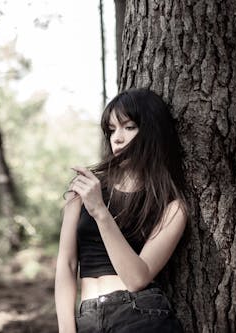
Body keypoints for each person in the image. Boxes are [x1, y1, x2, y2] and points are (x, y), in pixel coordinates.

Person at [54, 88, 188, 333]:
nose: (117, 138)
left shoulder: (171, 205)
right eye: (112, 129)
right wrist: (66, 329)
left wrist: (100, 213)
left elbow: (137, 278)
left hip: (141, 316)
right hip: (88, 320)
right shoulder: (85, 188)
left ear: (151, 131)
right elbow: (67, 264)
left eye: (128, 127)